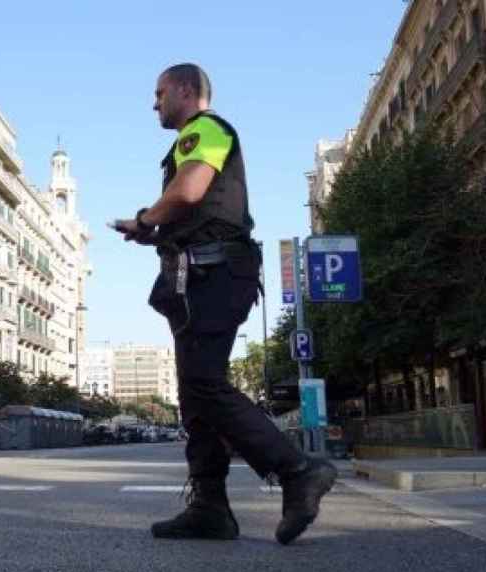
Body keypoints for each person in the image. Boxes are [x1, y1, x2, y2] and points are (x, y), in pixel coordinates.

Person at [111, 63, 337, 545]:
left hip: (215, 274)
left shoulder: (206, 130)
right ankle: (210, 507)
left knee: (205, 384)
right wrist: (154, 229)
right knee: (195, 395)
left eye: (159, 93)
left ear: (187, 91)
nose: (154, 103)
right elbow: (193, 205)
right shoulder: (190, 139)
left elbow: (189, 190)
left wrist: (145, 218)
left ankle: (297, 470)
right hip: (196, 276)